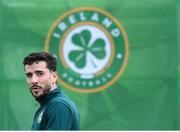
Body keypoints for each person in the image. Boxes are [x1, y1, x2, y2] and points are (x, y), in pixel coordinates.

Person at [23, 51, 80, 130]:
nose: (33, 80)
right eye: (29, 75)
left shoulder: (58, 105)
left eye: (39, 74)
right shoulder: (49, 104)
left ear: (54, 76)